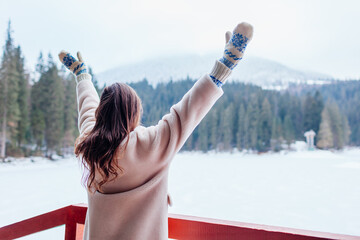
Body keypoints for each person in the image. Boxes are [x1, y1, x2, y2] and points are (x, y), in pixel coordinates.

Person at [58, 22, 253, 240]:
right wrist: (225, 65)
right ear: (134, 113)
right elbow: (188, 110)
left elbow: (87, 107)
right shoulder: (151, 145)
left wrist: (82, 76)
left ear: (101, 113)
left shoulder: (90, 147)